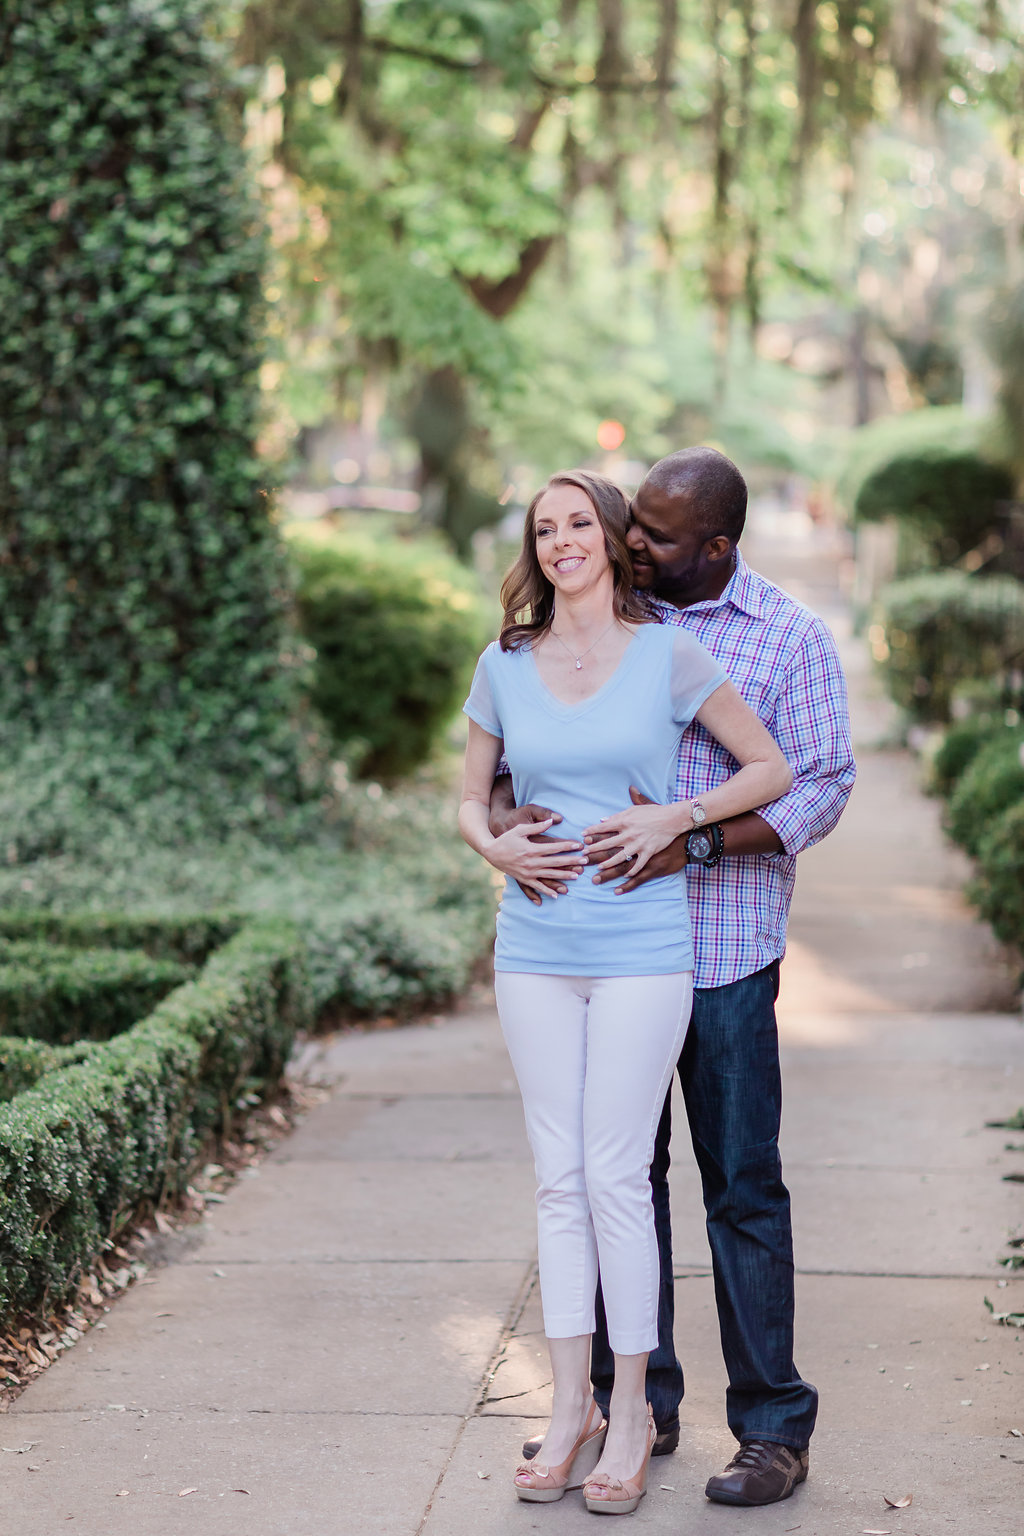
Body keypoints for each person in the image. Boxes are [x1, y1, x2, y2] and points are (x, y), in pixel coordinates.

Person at [501, 447, 856, 1508]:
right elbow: (533, 739)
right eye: (631, 525)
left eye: (655, 534)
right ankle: (636, 1400)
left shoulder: (786, 639)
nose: (631, 544)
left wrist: (692, 842)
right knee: (619, 1180)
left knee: (741, 1186)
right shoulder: (604, 618)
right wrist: (515, 810)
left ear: (718, 547)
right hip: (600, 950)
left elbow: (821, 785)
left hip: (725, 954)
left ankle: (770, 1428)